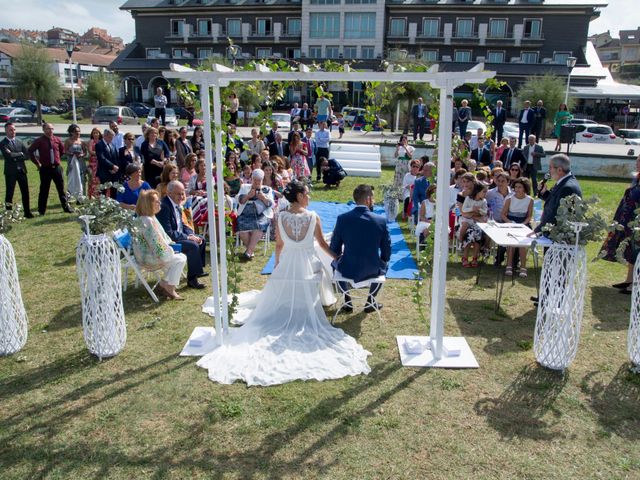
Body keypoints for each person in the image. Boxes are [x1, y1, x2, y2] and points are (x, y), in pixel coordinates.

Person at [196, 180, 370, 386]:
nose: (309, 197)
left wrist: (278, 265)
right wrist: (337, 257)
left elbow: (279, 245)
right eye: (307, 193)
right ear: (299, 196)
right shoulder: (313, 217)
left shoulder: (281, 216)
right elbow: (322, 245)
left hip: (288, 261)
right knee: (317, 274)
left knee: (284, 282)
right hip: (306, 264)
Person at [330, 184, 391, 312]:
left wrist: (339, 256)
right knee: (385, 264)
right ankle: (370, 302)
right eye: (373, 198)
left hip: (348, 267)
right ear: (368, 199)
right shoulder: (380, 220)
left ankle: (347, 300)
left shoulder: (342, 219)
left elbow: (334, 248)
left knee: (334, 263)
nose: (373, 201)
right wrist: (383, 260)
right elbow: (386, 250)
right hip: (373, 268)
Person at [132, 189, 187, 300]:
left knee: (180, 257)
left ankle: (163, 284)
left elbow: (161, 239)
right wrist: (170, 250)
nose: (159, 203)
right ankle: (169, 288)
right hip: (147, 257)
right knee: (180, 259)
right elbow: (156, 244)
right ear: (148, 204)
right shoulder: (146, 221)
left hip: (149, 253)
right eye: (156, 202)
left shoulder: (148, 217)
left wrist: (171, 246)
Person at [599, 154, 640, 295]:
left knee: (636, 251)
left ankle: (635, 284)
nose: (637, 164)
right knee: (629, 249)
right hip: (627, 219)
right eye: (637, 161)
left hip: (637, 221)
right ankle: (629, 280)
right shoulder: (636, 178)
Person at [156, 181, 206, 289]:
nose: (182, 196)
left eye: (183, 193)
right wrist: (188, 237)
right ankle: (192, 280)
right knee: (193, 246)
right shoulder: (164, 206)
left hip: (178, 236)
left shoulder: (176, 203)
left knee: (201, 239)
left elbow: (182, 224)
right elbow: (168, 233)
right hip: (168, 241)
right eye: (178, 194)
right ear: (169, 193)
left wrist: (192, 235)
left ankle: (197, 271)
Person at [28, 123, 71, 215]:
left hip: (56, 168)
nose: (50, 130)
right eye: (48, 129)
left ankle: (66, 207)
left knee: (61, 189)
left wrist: (56, 159)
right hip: (45, 169)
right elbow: (30, 151)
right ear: (43, 130)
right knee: (44, 189)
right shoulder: (39, 141)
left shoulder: (57, 140)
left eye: (52, 129)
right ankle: (41, 210)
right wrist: (37, 163)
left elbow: (62, 151)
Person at [533, 154, 582, 236]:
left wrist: (538, 229)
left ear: (559, 170)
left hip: (558, 236)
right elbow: (555, 201)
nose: (549, 171)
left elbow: (556, 213)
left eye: (550, 167)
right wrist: (544, 193)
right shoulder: (564, 182)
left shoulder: (567, 187)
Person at [236, 168, 275, 259]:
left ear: (262, 180)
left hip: (261, 214)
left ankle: (249, 252)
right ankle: (250, 251)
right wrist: (248, 196)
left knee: (259, 227)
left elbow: (271, 204)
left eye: (259, 180)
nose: (257, 182)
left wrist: (263, 198)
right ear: (252, 179)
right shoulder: (244, 187)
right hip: (245, 214)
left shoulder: (267, 189)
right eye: (255, 180)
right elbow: (240, 201)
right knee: (242, 231)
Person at [501, 177, 533, 277]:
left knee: (522, 244)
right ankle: (509, 265)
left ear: (525, 188)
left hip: (523, 223)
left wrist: (523, 224)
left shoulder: (530, 200)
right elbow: (503, 214)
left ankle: (523, 267)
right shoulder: (509, 199)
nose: (517, 189)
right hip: (510, 223)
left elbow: (529, 216)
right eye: (516, 187)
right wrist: (510, 223)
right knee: (512, 243)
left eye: (520, 187)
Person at [1, 122, 32, 217]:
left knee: (25, 192)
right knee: (10, 193)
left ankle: (27, 212)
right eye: (10, 130)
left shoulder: (19, 142)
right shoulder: (3, 143)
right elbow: (9, 156)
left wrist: (17, 155)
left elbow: (27, 155)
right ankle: (9, 213)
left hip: (21, 171)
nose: (13, 131)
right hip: (11, 172)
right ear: (6, 131)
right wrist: (20, 154)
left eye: (14, 129)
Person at [459, 181, 488, 268]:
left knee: (478, 233)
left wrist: (478, 211)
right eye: (484, 191)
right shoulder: (468, 198)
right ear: (478, 191)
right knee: (469, 232)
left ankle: (475, 258)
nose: (485, 194)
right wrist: (472, 209)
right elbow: (464, 210)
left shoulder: (483, 201)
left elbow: (485, 212)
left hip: (476, 223)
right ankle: (464, 254)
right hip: (466, 220)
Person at [64, 124, 88, 199]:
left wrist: (82, 154)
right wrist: (72, 154)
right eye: (75, 131)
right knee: (72, 178)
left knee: (82, 178)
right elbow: (65, 151)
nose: (78, 133)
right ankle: (70, 195)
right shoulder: (68, 141)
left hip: (81, 162)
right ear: (71, 132)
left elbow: (85, 152)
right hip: (72, 162)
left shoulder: (82, 141)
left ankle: (81, 196)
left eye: (79, 131)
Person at [95, 128, 120, 197]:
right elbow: (102, 158)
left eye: (112, 137)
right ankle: (103, 206)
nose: (111, 139)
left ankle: (113, 206)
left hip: (114, 173)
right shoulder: (99, 145)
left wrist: (115, 168)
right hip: (104, 172)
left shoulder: (112, 145)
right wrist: (112, 166)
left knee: (114, 191)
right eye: (110, 137)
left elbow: (116, 158)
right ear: (104, 136)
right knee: (103, 191)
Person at [87, 127, 102, 198]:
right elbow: (90, 151)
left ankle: (98, 195)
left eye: (97, 133)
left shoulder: (101, 141)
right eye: (94, 133)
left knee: (99, 180)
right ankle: (91, 195)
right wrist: (99, 153)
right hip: (93, 163)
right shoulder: (91, 141)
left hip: (100, 163)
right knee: (92, 179)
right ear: (92, 134)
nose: (96, 134)